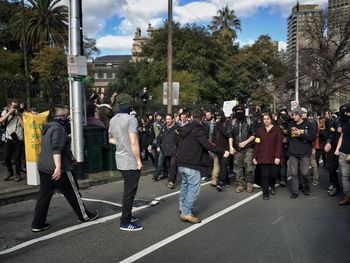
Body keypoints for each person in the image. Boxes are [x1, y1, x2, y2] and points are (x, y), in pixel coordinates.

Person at [31, 105, 98, 232]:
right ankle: (85, 216)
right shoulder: (59, 129)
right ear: (61, 116)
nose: (68, 118)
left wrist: (66, 138)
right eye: (67, 115)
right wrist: (58, 167)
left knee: (44, 197)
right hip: (59, 169)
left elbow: (53, 143)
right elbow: (56, 148)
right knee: (73, 193)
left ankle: (37, 223)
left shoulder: (48, 127)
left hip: (44, 167)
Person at [176, 109, 229, 223]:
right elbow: (207, 144)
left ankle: (182, 207)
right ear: (202, 118)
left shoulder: (184, 128)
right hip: (192, 163)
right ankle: (186, 212)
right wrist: (222, 151)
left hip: (181, 162)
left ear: (191, 117)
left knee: (185, 185)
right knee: (194, 188)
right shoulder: (198, 130)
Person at [109, 94, 143, 231]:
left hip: (120, 158)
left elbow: (111, 140)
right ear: (129, 106)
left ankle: (127, 215)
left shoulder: (112, 120)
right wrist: (139, 160)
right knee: (130, 192)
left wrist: (122, 143)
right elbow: (134, 142)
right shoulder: (131, 120)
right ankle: (125, 221)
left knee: (127, 190)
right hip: (130, 160)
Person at [287, 107, 316, 199]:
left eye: (295, 115)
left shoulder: (308, 124)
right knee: (293, 173)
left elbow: (313, 138)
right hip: (293, 152)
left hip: (304, 152)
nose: (294, 117)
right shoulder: (291, 124)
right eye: (293, 115)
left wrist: (301, 134)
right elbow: (288, 136)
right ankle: (295, 191)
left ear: (300, 115)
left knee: (304, 172)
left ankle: (306, 185)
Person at [253, 112, 282, 200]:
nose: (266, 120)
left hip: (273, 157)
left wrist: (277, 157)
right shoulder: (259, 131)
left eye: (267, 119)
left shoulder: (277, 130)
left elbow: (279, 144)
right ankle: (265, 193)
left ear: (271, 119)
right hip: (262, 157)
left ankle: (272, 185)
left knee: (273, 175)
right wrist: (255, 157)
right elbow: (257, 144)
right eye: (264, 119)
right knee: (264, 176)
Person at [229, 105, 256, 193]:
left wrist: (245, 143)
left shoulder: (249, 121)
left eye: (241, 110)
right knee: (238, 167)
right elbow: (230, 135)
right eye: (237, 110)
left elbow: (254, 134)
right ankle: (240, 184)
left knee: (249, 166)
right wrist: (231, 147)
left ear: (244, 111)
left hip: (248, 148)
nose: (239, 112)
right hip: (237, 149)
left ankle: (249, 183)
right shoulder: (233, 122)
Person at [0, 99, 24, 182]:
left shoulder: (21, 113)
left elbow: (24, 125)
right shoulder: (5, 112)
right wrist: (9, 113)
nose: (15, 108)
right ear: (9, 106)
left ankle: (17, 174)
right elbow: (1, 121)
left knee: (17, 157)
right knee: (6, 157)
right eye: (14, 106)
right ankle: (10, 171)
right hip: (9, 137)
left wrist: (18, 115)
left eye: (17, 106)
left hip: (19, 138)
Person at [156, 114, 178, 188]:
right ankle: (173, 178)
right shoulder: (163, 127)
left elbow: (181, 140)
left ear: (172, 120)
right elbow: (158, 138)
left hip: (174, 151)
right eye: (166, 119)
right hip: (166, 150)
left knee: (172, 165)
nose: (167, 121)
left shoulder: (177, 128)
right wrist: (158, 146)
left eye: (169, 119)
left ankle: (171, 181)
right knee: (170, 166)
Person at [334, 105, 350, 206]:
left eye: (347, 112)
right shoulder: (344, 122)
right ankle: (347, 196)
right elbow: (342, 137)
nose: (345, 114)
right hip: (343, 152)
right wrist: (337, 149)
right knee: (344, 176)